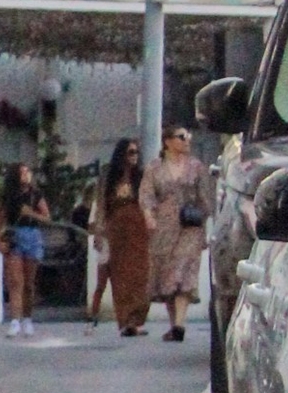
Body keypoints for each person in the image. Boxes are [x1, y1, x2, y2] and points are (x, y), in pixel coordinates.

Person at [144, 124, 208, 342]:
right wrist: (149, 217)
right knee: (168, 277)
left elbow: (205, 197)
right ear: (168, 141)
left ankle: (180, 323)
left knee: (183, 271)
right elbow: (146, 196)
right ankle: (175, 326)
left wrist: (204, 220)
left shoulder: (197, 167)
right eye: (182, 137)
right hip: (163, 228)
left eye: (188, 136)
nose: (187, 141)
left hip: (190, 226)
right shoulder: (154, 168)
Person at [89, 135, 152, 335]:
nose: (134, 156)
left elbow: (149, 203)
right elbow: (101, 205)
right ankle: (126, 321)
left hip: (138, 227)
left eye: (136, 152)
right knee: (120, 275)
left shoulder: (141, 176)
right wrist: (99, 231)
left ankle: (137, 319)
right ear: (122, 154)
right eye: (131, 152)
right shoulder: (109, 176)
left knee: (140, 274)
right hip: (116, 227)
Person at [0, 158, 51, 337]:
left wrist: (31, 213)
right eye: (23, 172)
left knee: (28, 283)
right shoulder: (8, 196)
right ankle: (14, 320)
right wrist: (0, 241)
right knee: (15, 281)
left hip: (32, 234)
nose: (27, 175)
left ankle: (27, 318)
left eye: (28, 172)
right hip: (14, 235)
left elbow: (47, 218)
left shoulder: (35, 194)